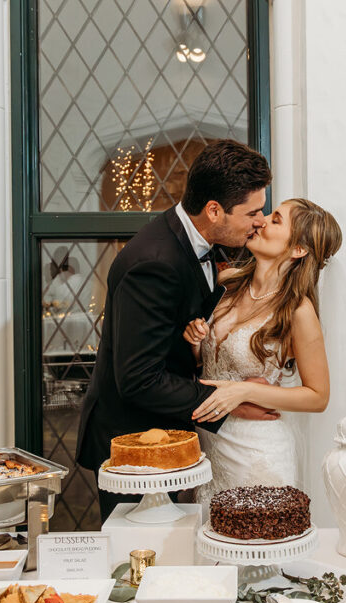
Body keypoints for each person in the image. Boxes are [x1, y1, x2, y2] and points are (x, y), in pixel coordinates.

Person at [76, 139, 280, 521]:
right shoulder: (154, 263)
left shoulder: (205, 244)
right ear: (214, 210)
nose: (260, 221)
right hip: (135, 445)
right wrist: (229, 400)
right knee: (143, 564)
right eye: (253, 212)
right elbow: (138, 379)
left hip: (174, 434)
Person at [182, 198, 342, 507]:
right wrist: (195, 344)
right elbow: (206, 366)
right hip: (209, 447)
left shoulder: (297, 311)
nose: (261, 220)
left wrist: (242, 392)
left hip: (258, 452)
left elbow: (318, 396)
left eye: (276, 219)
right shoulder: (227, 284)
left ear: (299, 249)